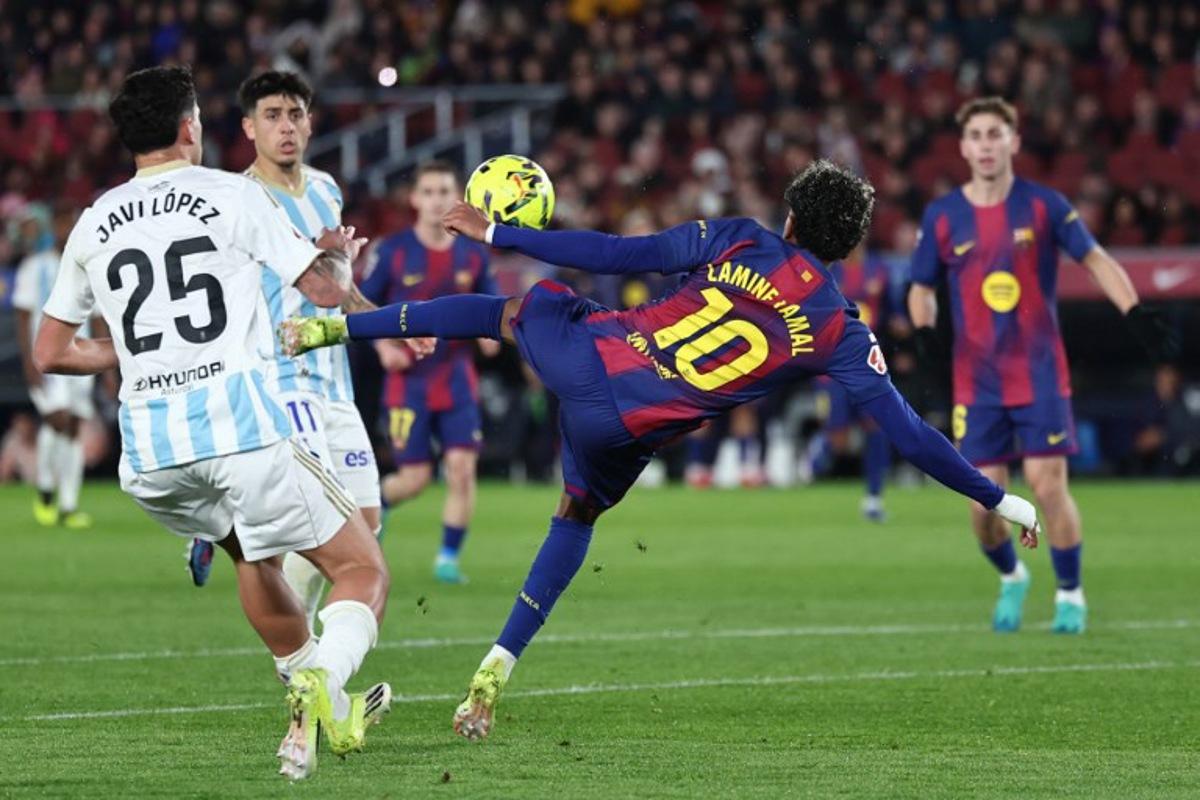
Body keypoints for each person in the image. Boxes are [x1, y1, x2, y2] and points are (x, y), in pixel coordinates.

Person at [282, 159, 1042, 742]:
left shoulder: (741, 236)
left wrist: (502, 233)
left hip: (593, 361)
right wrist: (998, 498)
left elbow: (615, 254)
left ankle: (330, 328)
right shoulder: (841, 328)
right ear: (849, 246)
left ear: (788, 214)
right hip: (632, 430)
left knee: (511, 310)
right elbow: (909, 431)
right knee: (575, 517)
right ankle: (497, 665)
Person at [31, 66, 391, 779]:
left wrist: (128, 353)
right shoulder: (234, 194)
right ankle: (324, 679)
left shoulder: (93, 220)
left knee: (254, 558)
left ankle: (315, 695)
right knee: (361, 567)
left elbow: (49, 352)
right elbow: (321, 287)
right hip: (240, 431)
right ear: (190, 127)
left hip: (152, 460)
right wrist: (341, 262)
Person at [907, 97, 1178, 635]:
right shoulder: (943, 216)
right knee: (984, 507)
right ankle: (1012, 578)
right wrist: (923, 333)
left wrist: (1135, 311)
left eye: (995, 134)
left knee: (1048, 486)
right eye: (977, 136)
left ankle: (1071, 594)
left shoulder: (1044, 206)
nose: (986, 144)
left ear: (1014, 142)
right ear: (963, 148)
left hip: (1039, 374)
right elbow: (920, 288)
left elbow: (1096, 258)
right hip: (977, 381)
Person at [184, 71, 387, 634]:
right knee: (315, 528)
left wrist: (386, 325)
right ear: (249, 128)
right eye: (271, 115)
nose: (286, 126)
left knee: (364, 527)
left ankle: (222, 526)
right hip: (280, 381)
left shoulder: (325, 189)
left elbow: (336, 282)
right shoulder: (234, 200)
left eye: (295, 113)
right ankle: (306, 672)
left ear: (310, 120)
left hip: (335, 381)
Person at [359, 160, 498, 584]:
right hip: (408, 383)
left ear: (456, 199)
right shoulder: (394, 250)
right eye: (429, 192)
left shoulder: (473, 253)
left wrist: (492, 336)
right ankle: (370, 513)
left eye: (444, 192)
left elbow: (493, 309)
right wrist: (384, 347)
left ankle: (448, 560)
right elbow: (360, 306)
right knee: (415, 479)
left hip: (456, 380)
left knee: (461, 469)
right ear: (415, 199)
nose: (437, 200)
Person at [13, 206, 100, 528]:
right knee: (58, 420)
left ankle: (68, 505)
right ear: (55, 227)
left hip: (82, 354)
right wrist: (28, 362)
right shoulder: (35, 267)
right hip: (47, 356)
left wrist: (109, 373)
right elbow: (23, 318)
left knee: (74, 426)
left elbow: (98, 316)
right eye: (63, 222)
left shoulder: (89, 265)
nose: (67, 229)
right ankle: (47, 487)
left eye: (72, 223)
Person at [809, 241, 893, 521]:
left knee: (876, 428)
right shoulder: (828, 272)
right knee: (838, 437)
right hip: (832, 367)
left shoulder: (879, 270)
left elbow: (892, 312)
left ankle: (873, 497)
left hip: (868, 365)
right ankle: (812, 464)